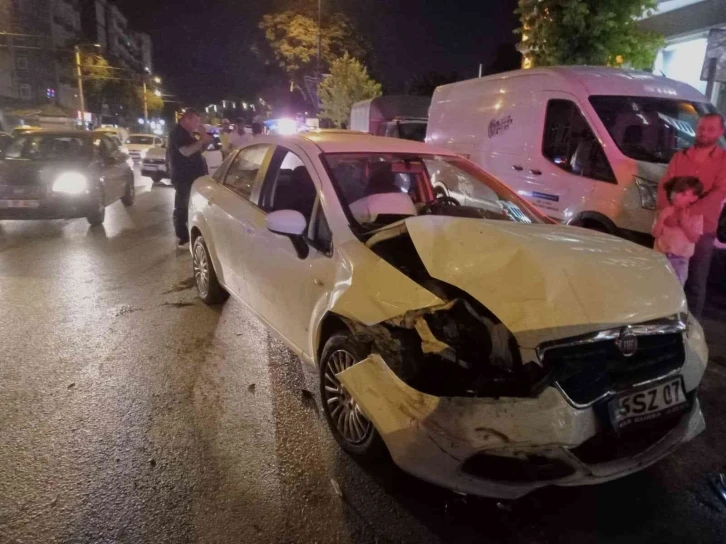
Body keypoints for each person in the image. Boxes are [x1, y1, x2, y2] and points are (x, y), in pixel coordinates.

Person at [657, 113, 726, 316]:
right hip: (671, 229)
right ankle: (664, 320)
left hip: (702, 228)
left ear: (721, 132)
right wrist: (667, 213)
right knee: (667, 277)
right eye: (702, 127)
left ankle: (690, 328)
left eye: (710, 129)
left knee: (695, 282)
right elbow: (664, 186)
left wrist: (684, 213)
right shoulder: (680, 156)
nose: (704, 132)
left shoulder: (723, 160)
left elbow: (718, 192)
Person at [168, 109, 213, 248]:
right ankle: (182, 238)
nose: (197, 124)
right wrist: (202, 141)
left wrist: (203, 139)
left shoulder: (189, 134)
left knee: (191, 206)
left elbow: (198, 150)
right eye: (195, 121)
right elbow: (186, 151)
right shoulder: (177, 133)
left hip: (194, 176)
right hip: (183, 177)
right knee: (182, 206)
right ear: (186, 119)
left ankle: (189, 233)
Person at [652, 177, 704, 285]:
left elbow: (694, 238)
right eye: (676, 192)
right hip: (660, 256)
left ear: (693, 198)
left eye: (684, 194)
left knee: (675, 289)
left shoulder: (695, 215)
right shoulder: (664, 211)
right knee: (655, 285)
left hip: (680, 260)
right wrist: (661, 218)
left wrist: (684, 223)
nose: (677, 196)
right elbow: (655, 233)